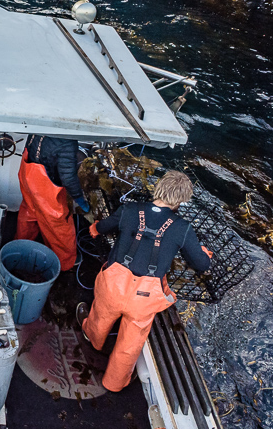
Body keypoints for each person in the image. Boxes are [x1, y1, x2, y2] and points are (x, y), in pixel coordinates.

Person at [77, 170, 212, 392]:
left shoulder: (129, 210)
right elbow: (202, 264)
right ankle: (114, 383)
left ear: (158, 188)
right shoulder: (183, 228)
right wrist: (204, 253)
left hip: (113, 287)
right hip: (144, 299)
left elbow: (103, 227)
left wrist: (94, 228)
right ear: (180, 201)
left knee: (101, 315)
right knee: (129, 345)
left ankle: (94, 339)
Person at [16, 135, 91, 271]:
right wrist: (79, 198)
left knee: (29, 212)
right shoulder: (67, 142)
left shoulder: (39, 127)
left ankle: (19, 248)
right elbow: (68, 177)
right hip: (45, 188)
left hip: (28, 177)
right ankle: (65, 261)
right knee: (59, 224)